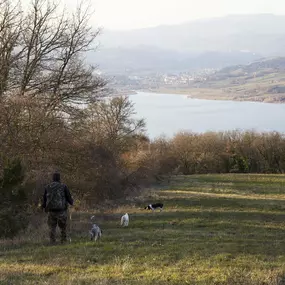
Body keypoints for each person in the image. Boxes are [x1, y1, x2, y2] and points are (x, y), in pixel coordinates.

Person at [42, 172, 73, 244]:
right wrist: (71, 202)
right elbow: (69, 197)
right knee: (63, 227)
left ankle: (52, 241)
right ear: (59, 178)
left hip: (51, 211)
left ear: (52, 178)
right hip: (61, 211)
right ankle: (63, 240)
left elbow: (44, 199)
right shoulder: (63, 186)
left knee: (52, 227)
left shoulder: (48, 187)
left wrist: (43, 207)